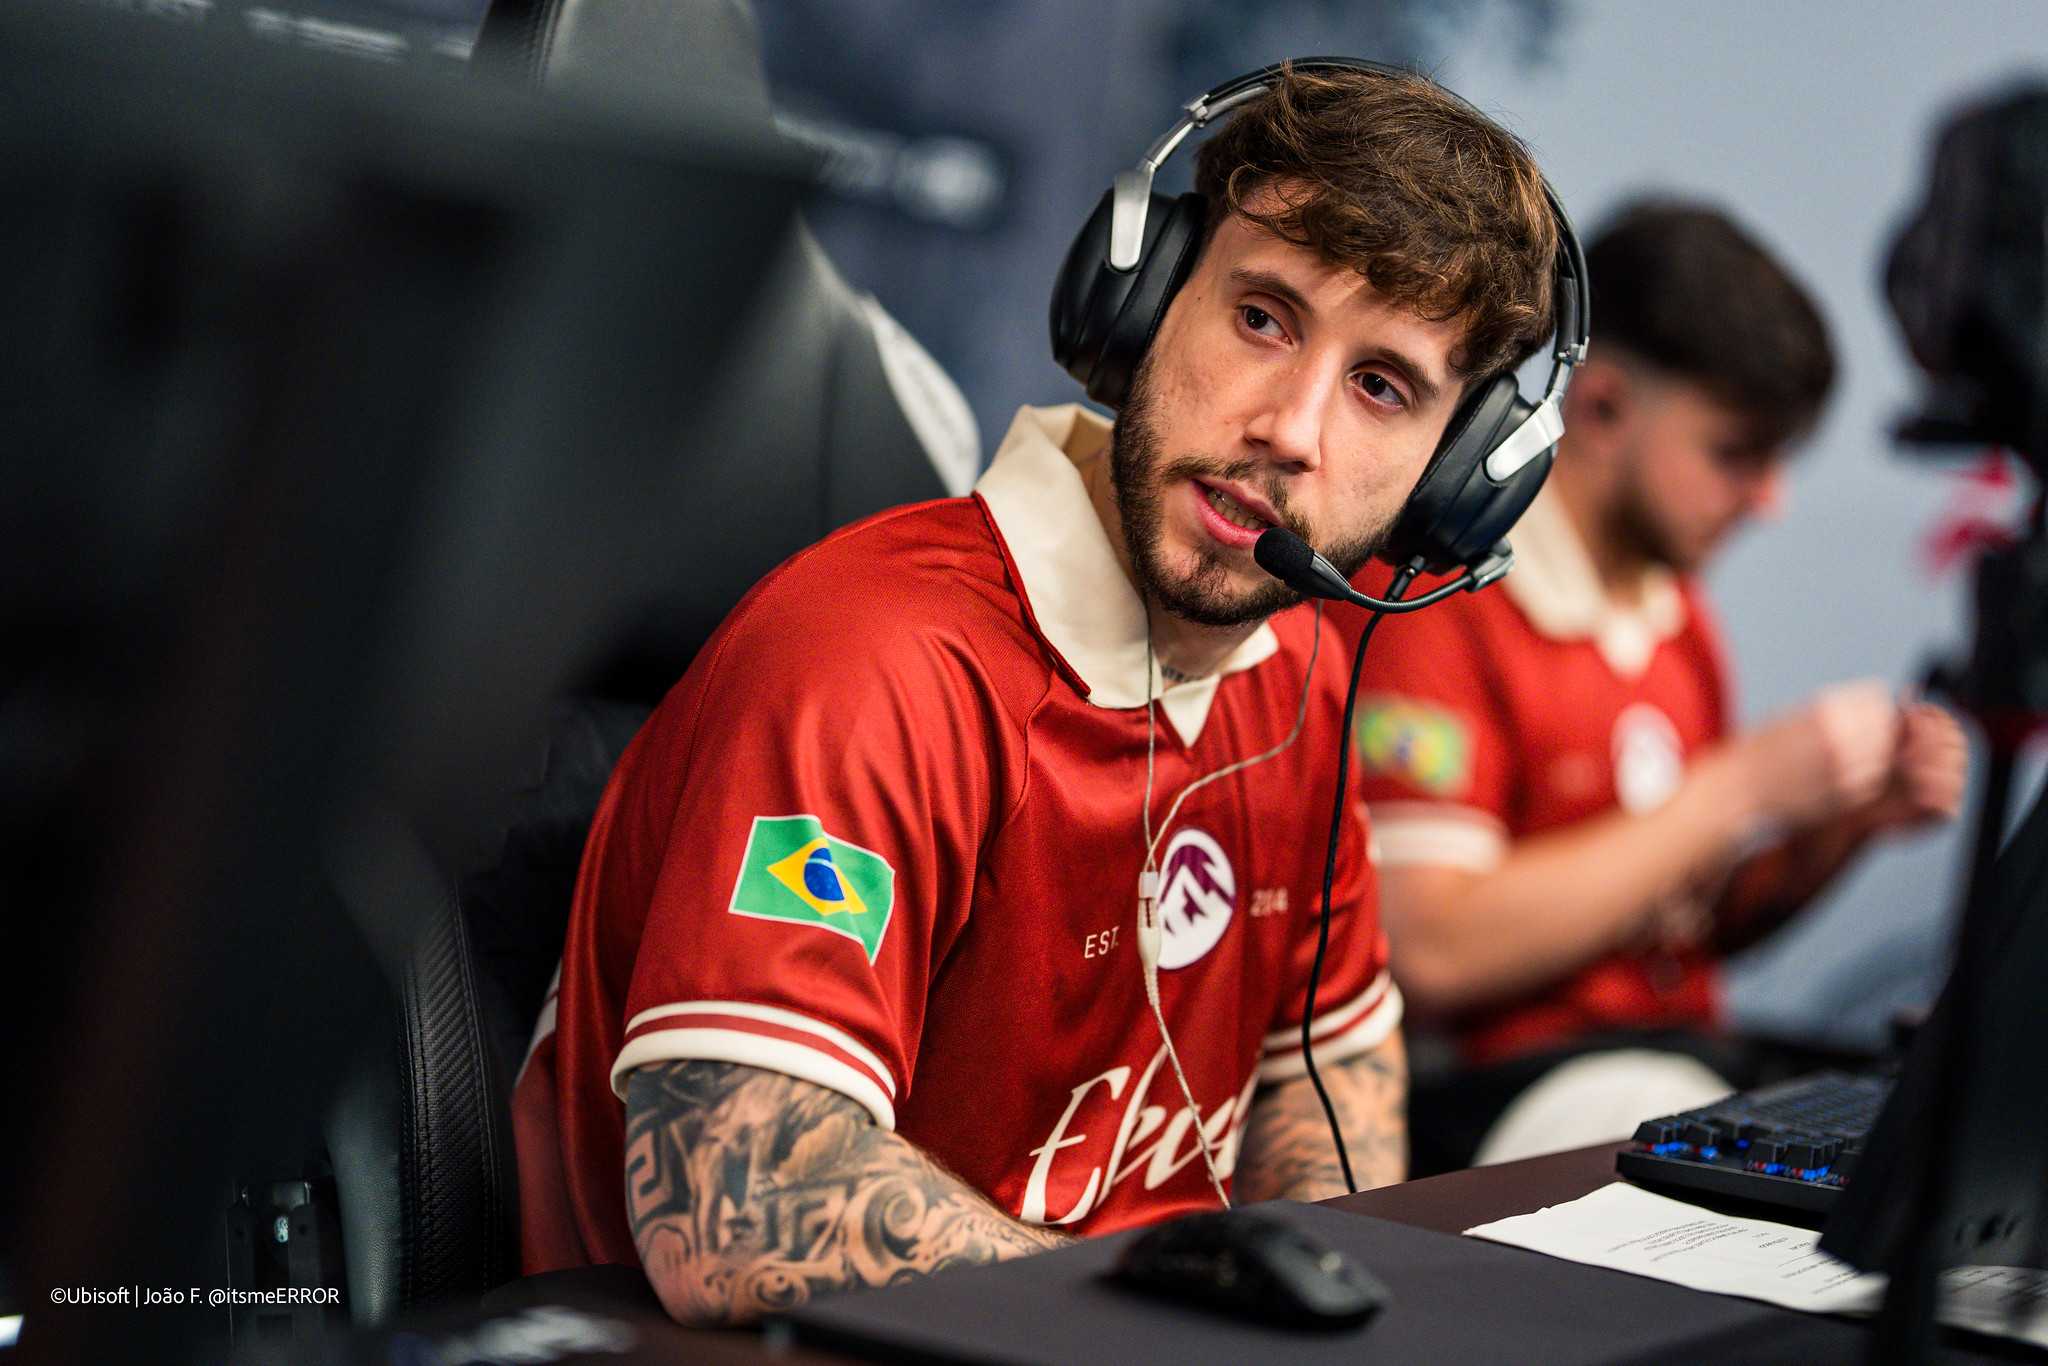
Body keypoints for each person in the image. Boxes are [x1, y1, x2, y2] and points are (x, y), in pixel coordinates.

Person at [509, 63, 1564, 1326]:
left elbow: (1327, 1078)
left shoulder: (1297, 685)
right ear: (1141, 303)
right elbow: (738, 1210)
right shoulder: (874, 660)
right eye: (1262, 318)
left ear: (1450, 479)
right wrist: (1156, 1317)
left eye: (1380, 386)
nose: (1291, 429)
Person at [1342, 201, 1969, 1176]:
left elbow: (1690, 925)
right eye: (1735, 453)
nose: (1770, 500)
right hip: (1495, 1088)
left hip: (1675, 1059)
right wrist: (1736, 789)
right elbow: (1428, 951)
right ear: (1601, 408)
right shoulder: (1431, 602)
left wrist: (1842, 827)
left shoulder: (1673, 616)